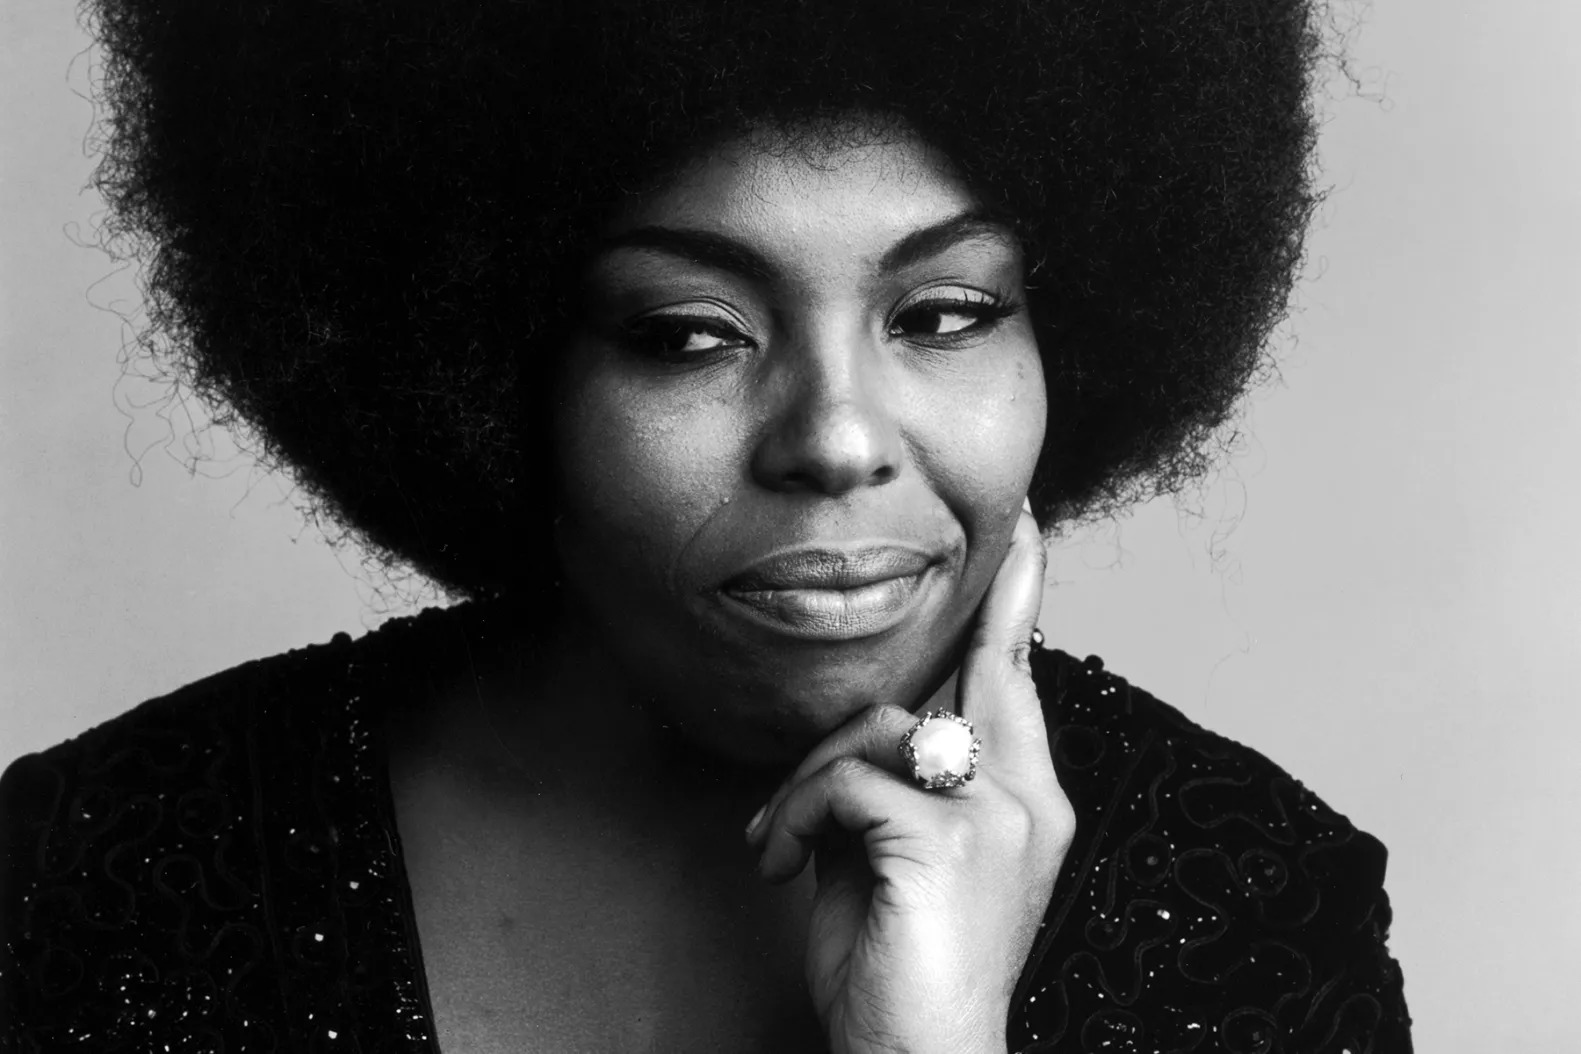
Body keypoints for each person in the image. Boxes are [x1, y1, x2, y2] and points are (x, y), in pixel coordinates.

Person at [1, 0, 1412, 1050]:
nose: (837, 439)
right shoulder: (102, 877)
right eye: (689, 333)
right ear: (490, 372)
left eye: (943, 314)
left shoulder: (1251, 914)